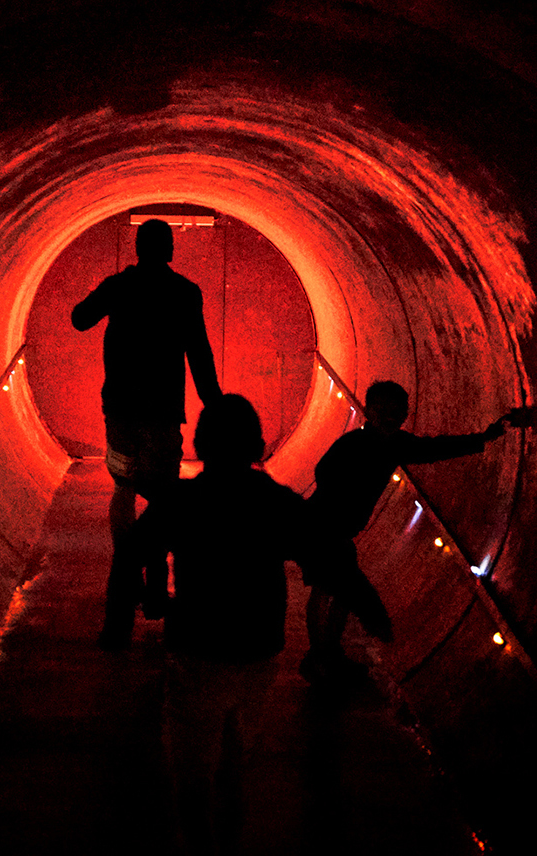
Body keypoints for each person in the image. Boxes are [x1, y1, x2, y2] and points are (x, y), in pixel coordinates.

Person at [133, 395, 389, 854]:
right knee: (236, 760)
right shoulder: (275, 502)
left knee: (191, 772)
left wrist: (153, 590)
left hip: (196, 647)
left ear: (200, 442)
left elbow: (138, 545)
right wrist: (371, 609)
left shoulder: (183, 498)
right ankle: (229, 841)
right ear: (257, 444)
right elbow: (329, 555)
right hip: (258, 648)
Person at [301, 380, 527, 683]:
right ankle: (320, 656)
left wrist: (482, 438)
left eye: (397, 413)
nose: (390, 418)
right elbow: (323, 472)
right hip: (324, 527)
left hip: (338, 530)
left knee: (338, 591)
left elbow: (434, 448)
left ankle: (325, 653)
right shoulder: (354, 444)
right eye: (383, 411)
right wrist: (339, 507)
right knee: (330, 590)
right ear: (370, 411)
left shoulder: (395, 445)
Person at [72, 218, 223, 648]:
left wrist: (111, 291)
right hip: (162, 415)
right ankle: (157, 590)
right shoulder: (184, 292)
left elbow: (80, 319)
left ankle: (125, 583)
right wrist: (217, 409)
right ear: (170, 250)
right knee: (162, 496)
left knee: (123, 487)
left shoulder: (119, 286)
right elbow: (199, 354)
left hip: (119, 412)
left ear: (137, 248)